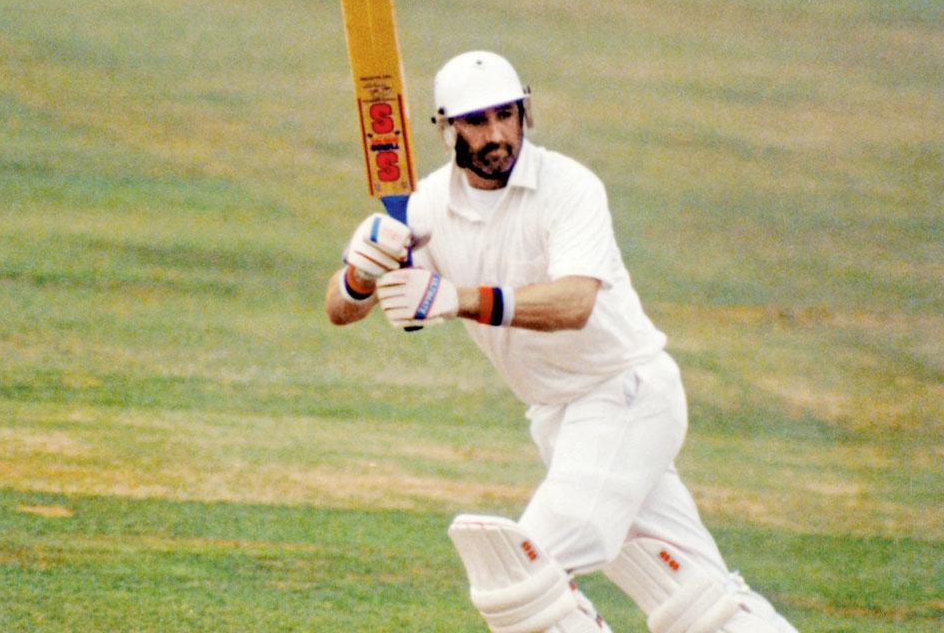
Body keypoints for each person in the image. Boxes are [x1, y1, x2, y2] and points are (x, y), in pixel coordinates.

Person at [325, 51, 798, 633]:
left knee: (522, 579)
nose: (497, 134)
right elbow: (341, 311)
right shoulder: (424, 207)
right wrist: (360, 273)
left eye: (508, 114)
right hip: (557, 417)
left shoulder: (568, 186)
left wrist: (460, 298)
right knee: (696, 600)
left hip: (623, 393)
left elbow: (575, 302)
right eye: (477, 121)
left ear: (526, 111)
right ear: (447, 128)